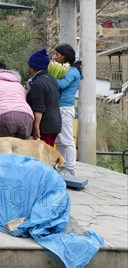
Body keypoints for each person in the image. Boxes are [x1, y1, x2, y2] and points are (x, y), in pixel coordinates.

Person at [54, 43, 83, 175]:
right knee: (59, 140)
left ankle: (70, 168)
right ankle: (62, 164)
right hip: (59, 107)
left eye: (57, 55)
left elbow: (62, 84)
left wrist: (49, 77)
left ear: (64, 57)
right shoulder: (67, 70)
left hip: (65, 108)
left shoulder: (72, 72)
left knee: (66, 139)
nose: (55, 57)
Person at [0, 63, 34, 140]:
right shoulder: (19, 85)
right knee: (21, 149)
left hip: (2, 117)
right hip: (26, 117)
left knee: (2, 150)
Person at [25, 49, 61, 147]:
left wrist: (36, 127)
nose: (28, 68)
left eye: (29, 65)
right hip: (55, 124)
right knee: (49, 156)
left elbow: (38, 108)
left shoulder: (38, 83)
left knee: (42, 158)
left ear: (34, 67)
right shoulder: (52, 79)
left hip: (44, 127)